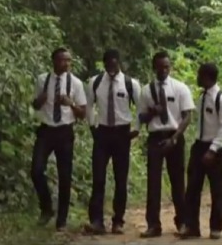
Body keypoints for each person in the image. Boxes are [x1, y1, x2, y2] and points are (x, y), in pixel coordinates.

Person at [137, 51, 194, 238]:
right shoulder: (146, 91)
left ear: (170, 67)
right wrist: (152, 112)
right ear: (154, 67)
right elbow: (142, 117)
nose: (163, 70)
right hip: (155, 136)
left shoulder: (180, 88)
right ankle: (153, 224)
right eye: (160, 66)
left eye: (166, 66)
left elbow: (187, 117)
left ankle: (183, 222)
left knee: (178, 181)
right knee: (153, 182)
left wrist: (175, 137)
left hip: (174, 135)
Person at [83, 49, 141, 235]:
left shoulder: (130, 84)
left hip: (122, 133)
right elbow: (89, 106)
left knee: (120, 178)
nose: (112, 67)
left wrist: (137, 129)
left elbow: (140, 108)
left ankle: (118, 221)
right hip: (103, 133)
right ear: (105, 64)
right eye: (108, 64)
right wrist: (93, 127)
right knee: (98, 177)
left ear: (119, 62)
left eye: (115, 64)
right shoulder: (96, 82)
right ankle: (97, 221)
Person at [30, 47, 88, 231]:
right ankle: (46, 208)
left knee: (65, 175)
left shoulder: (76, 83)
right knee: (36, 170)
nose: (67, 64)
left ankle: (61, 220)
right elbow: (35, 105)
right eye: (63, 60)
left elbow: (83, 114)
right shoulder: (42, 79)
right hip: (46, 130)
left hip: (64, 131)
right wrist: (41, 99)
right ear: (54, 61)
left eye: (69, 60)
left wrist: (71, 104)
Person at [178, 63, 222, 240]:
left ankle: (216, 227)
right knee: (192, 188)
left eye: (199, 75)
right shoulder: (201, 98)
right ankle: (192, 226)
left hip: (215, 148)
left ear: (207, 77)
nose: (197, 77)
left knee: (216, 189)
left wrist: (213, 149)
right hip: (199, 145)